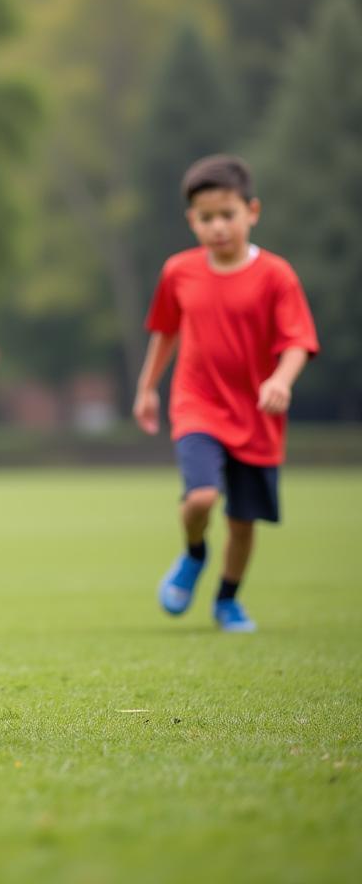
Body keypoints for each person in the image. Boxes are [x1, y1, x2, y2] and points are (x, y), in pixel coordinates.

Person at [133, 155, 318, 632]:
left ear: (251, 211)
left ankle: (227, 600)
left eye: (227, 215)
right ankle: (194, 554)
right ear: (192, 220)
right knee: (200, 498)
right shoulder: (179, 272)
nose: (217, 227)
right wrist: (147, 388)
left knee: (242, 521)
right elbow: (165, 332)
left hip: (257, 414)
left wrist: (281, 379)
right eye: (206, 217)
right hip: (197, 404)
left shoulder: (278, 276)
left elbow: (298, 340)